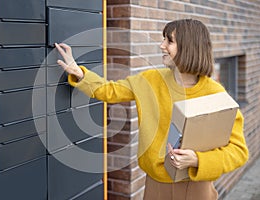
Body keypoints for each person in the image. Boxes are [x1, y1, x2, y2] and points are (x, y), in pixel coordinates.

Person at [55, 19, 249, 200]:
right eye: (163, 39)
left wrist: (198, 160)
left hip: (197, 187)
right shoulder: (149, 80)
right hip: (155, 184)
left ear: (190, 47)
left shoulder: (215, 94)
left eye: (169, 41)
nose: (161, 45)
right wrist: (79, 72)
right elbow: (110, 91)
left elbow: (238, 151)